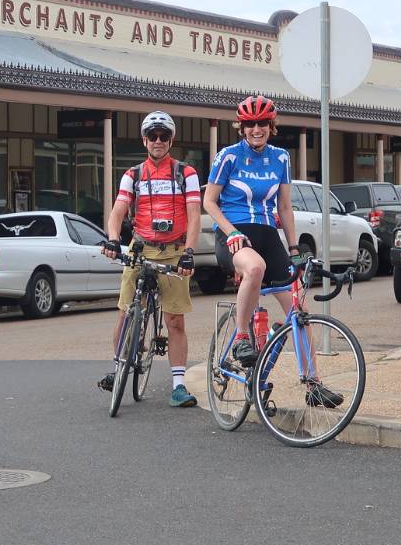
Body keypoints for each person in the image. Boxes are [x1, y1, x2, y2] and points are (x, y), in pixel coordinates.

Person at [202, 95, 342, 408]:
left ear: (271, 126)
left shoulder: (281, 158)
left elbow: (285, 207)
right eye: (250, 124)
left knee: (298, 308)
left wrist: (294, 248)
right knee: (255, 268)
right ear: (242, 128)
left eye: (262, 123)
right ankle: (241, 337)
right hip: (233, 234)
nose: (256, 129)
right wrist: (232, 232)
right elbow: (209, 202)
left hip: (268, 235)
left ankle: (313, 384)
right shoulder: (228, 156)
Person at [98, 110, 201, 408]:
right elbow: (118, 211)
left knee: (175, 321)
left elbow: (195, 216)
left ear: (171, 140)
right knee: (125, 312)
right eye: (152, 136)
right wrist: (113, 238)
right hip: (141, 248)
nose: (158, 141)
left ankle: (178, 386)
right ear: (144, 140)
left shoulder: (186, 173)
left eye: (163, 136)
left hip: (174, 250)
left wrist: (189, 252)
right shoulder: (133, 175)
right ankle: (118, 367)